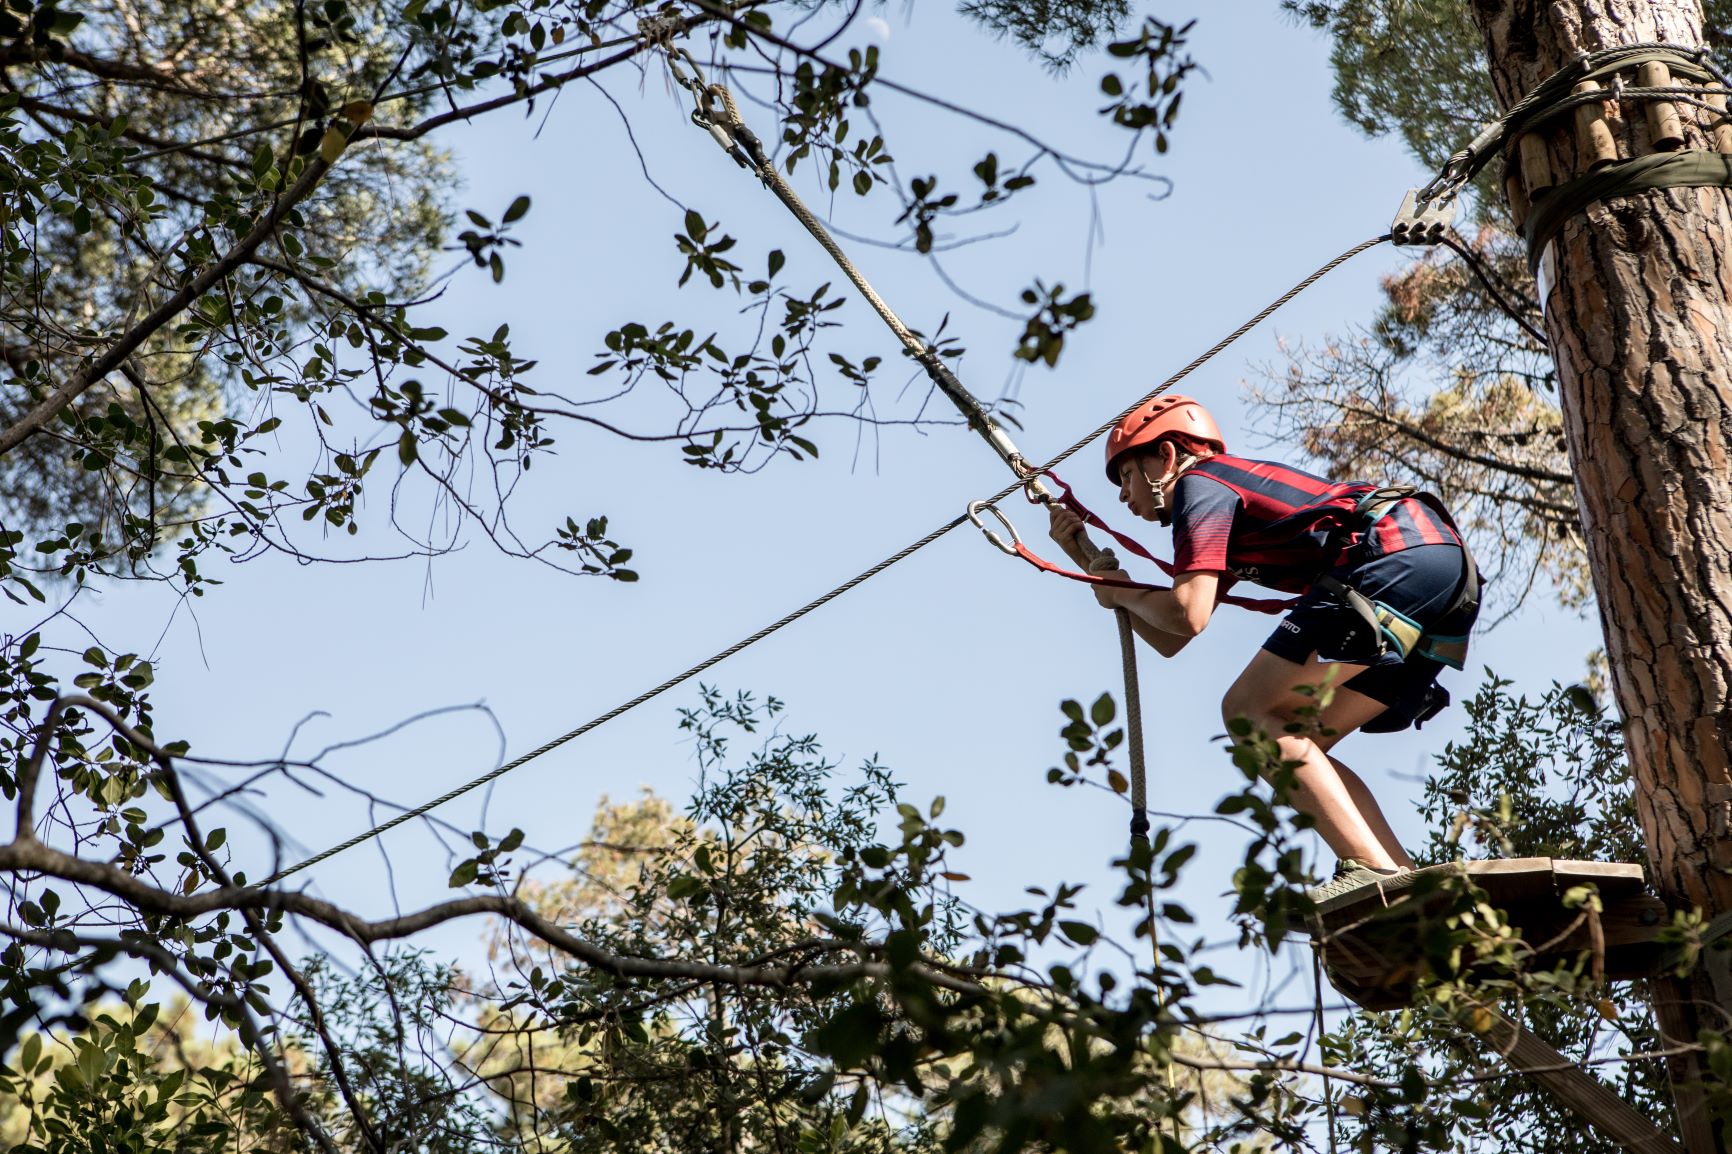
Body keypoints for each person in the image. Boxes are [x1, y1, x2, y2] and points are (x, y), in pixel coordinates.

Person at [1046, 395, 1479, 900]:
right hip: (1440, 575)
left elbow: (1188, 611)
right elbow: (1172, 638)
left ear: (1165, 457)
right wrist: (1099, 575)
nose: (1122, 497)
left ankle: (1371, 871)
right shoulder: (1229, 504)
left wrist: (1123, 592)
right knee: (1298, 738)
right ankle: (1406, 884)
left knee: (1247, 714)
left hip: (1394, 553)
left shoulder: (1199, 486)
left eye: (1125, 477)